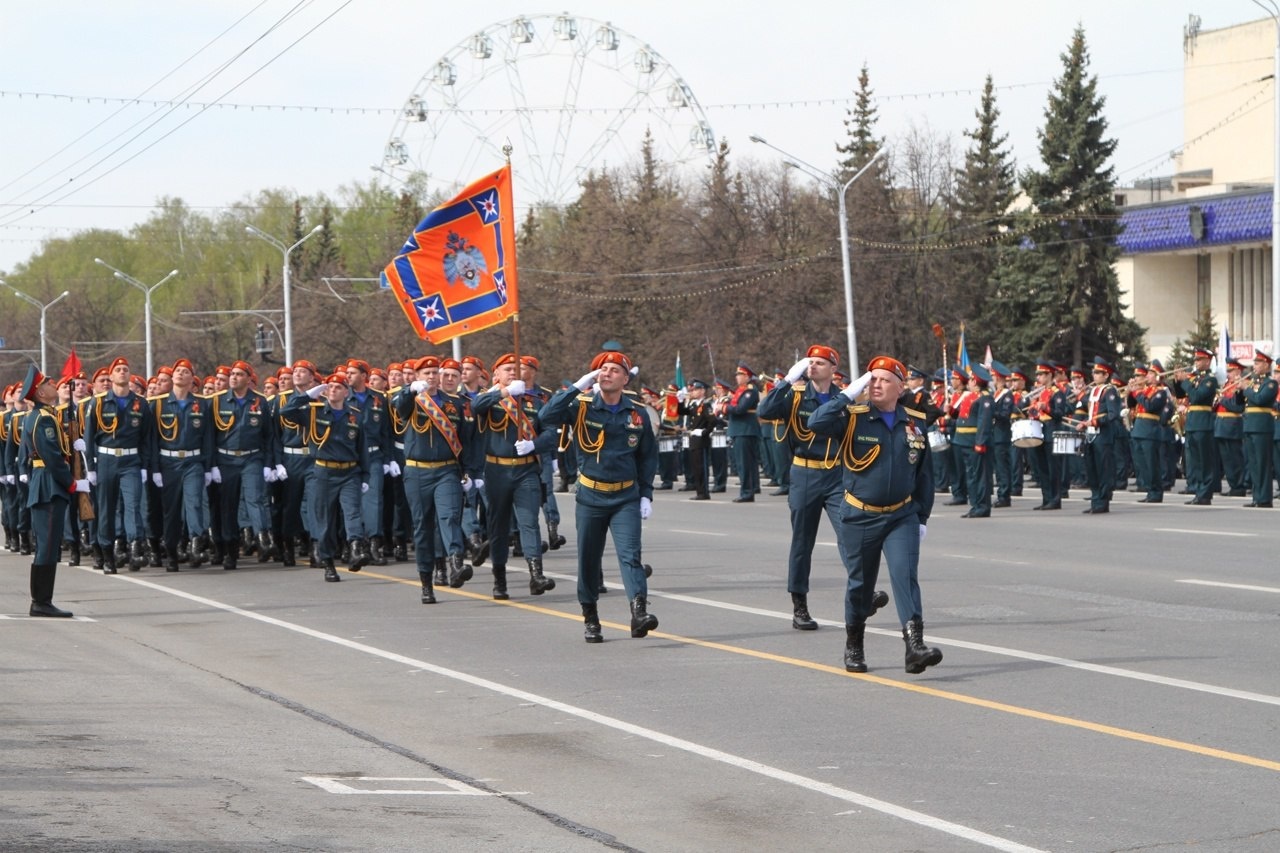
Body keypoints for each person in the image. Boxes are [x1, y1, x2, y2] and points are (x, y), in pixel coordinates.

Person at [808, 356, 940, 675]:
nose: (875, 384)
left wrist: (921, 517)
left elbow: (924, 474)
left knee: (905, 576)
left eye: (883, 379)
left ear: (899, 387)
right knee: (860, 585)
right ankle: (854, 644)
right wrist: (845, 395)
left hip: (901, 516)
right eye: (871, 379)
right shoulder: (853, 418)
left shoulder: (914, 423)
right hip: (860, 515)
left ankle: (914, 647)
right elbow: (815, 423)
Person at [759, 345, 888, 631]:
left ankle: (864, 595)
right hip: (805, 472)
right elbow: (764, 410)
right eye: (810, 362)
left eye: (820, 362)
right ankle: (799, 605)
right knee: (803, 542)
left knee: (851, 536)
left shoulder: (845, 398)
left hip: (836, 475)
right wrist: (786, 381)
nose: (813, 366)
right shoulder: (794, 396)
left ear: (833, 369)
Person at [539, 348, 658, 643]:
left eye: (614, 370)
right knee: (589, 561)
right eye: (602, 369)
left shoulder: (637, 414)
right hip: (591, 496)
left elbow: (647, 458)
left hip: (625, 497)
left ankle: (638, 612)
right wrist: (578, 386)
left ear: (625, 379)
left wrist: (646, 494)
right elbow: (546, 415)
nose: (607, 373)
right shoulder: (581, 406)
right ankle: (591, 616)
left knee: (631, 557)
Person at [392, 357, 482, 602]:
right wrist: (410, 390)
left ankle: (455, 564)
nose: (432, 377)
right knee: (422, 527)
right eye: (427, 372)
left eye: (435, 372)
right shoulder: (411, 399)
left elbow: (466, 441)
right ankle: (425, 581)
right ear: (418, 375)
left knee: (449, 517)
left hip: (446, 470)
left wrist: (471, 473)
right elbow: (399, 407)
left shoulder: (455, 403)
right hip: (417, 471)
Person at [472, 353, 556, 596]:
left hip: (526, 469)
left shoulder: (535, 401)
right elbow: (477, 407)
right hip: (496, 469)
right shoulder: (489, 398)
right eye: (507, 369)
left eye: (516, 370)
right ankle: (500, 578)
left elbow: (551, 433)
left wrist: (534, 445)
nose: (512, 373)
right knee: (498, 527)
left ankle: (536, 575)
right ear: (495, 374)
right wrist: (504, 393)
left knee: (529, 521)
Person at [283, 373, 372, 581]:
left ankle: (356, 549)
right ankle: (328, 562)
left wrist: (365, 476)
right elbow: (285, 411)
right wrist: (306, 396)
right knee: (324, 520)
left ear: (346, 392)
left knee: (352, 513)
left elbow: (363, 448)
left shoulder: (355, 416)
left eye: (338, 387)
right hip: (323, 472)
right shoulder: (314, 412)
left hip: (349, 472)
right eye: (330, 386)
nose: (333, 390)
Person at [18, 366, 88, 617]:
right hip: (49, 485)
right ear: (40, 393)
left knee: (48, 544)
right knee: (47, 545)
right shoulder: (43, 418)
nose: (53, 386)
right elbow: (51, 456)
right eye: (48, 384)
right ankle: (41, 602)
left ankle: (42, 600)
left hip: (47, 483)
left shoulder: (45, 416)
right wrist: (71, 482)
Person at [82, 356, 156, 573]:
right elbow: (89, 437)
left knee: (133, 505)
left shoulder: (140, 403)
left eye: (126, 369)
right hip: (105, 460)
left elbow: (146, 438)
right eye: (118, 369)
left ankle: (134, 546)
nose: (123, 372)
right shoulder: (98, 402)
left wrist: (144, 466)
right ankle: (107, 554)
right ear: (112, 376)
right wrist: (91, 469)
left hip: (131, 460)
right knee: (106, 509)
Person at [209, 360, 279, 570]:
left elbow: (269, 436)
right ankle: (230, 550)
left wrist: (268, 464)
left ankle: (263, 539)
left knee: (255, 498)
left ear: (249, 379)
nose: (234, 377)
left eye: (239, 374)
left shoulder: (260, 402)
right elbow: (210, 437)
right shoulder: (217, 401)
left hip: (252, 458)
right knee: (228, 506)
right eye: (233, 374)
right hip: (226, 459)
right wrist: (212, 465)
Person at [150, 358, 215, 571]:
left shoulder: (201, 404)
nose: (181, 374)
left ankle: (196, 542)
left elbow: (208, 437)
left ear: (191, 379)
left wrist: (208, 467)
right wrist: (155, 469)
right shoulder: (158, 404)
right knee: (172, 510)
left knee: (194, 502)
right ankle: (171, 551)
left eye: (186, 371)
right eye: (177, 370)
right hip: (168, 462)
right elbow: (151, 439)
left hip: (193, 461)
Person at [1173, 348, 1219, 505]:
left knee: (1204, 460)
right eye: (1196, 360)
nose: (1196, 362)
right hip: (1192, 422)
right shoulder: (1195, 379)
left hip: (1203, 423)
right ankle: (1199, 491)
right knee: (1195, 461)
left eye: (1199, 360)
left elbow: (1197, 396)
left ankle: (1205, 493)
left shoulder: (1210, 380)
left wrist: (1185, 381)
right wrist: (1178, 380)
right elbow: (1181, 396)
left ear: (1207, 361)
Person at [1077, 357, 1123, 514]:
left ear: (1106, 375)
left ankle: (1102, 502)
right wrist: (1084, 423)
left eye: (1098, 373)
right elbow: (1091, 413)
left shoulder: (1110, 391)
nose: (1094, 375)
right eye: (1094, 372)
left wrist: (1094, 423)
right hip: (1091, 436)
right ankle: (1095, 500)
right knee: (1092, 470)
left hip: (1103, 436)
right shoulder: (1093, 391)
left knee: (1104, 470)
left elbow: (1113, 415)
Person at [950, 364, 993, 518]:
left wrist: (980, 442)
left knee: (980, 475)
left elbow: (984, 422)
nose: (968, 382)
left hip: (974, 442)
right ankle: (975, 505)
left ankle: (982, 506)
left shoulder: (985, 398)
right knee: (971, 475)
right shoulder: (969, 396)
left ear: (975, 381)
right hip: (963, 441)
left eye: (970, 379)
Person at [1238, 350, 1278, 507]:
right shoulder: (1253, 383)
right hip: (1250, 425)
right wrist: (1239, 391)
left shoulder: (1270, 383)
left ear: (1266, 365)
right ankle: (1257, 496)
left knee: (1262, 463)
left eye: (1258, 363)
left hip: (1262, 426)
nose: (1254, 366)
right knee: (1253, 464)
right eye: (1254, 363)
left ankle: (1265, 498)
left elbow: (1260, 399)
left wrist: (1246, 389)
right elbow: (1241, 403)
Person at [676, 379, 720, 500]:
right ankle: (699, 491)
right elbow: (682, 412)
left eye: (695, 390)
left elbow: (713, 421)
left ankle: (704, 492)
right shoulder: (694, 405)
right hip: (694, 440)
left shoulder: (705, 405)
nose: (693, 392)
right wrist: (679, 401)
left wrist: (705, 432)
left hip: (701, 440)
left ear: (702, 391)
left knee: (701, 467)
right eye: (692, 390)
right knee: (696, 467)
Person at [725, 363, 761, 502]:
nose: (737, 377)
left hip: (745, 429)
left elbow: (740, 409)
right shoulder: (741, 391)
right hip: (741, 429)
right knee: (747, 462)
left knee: (744, 463)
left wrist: (725, 408)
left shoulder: (750, 391)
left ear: (747, 376)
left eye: (740, 375)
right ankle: (751, 488)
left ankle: (747, 491)